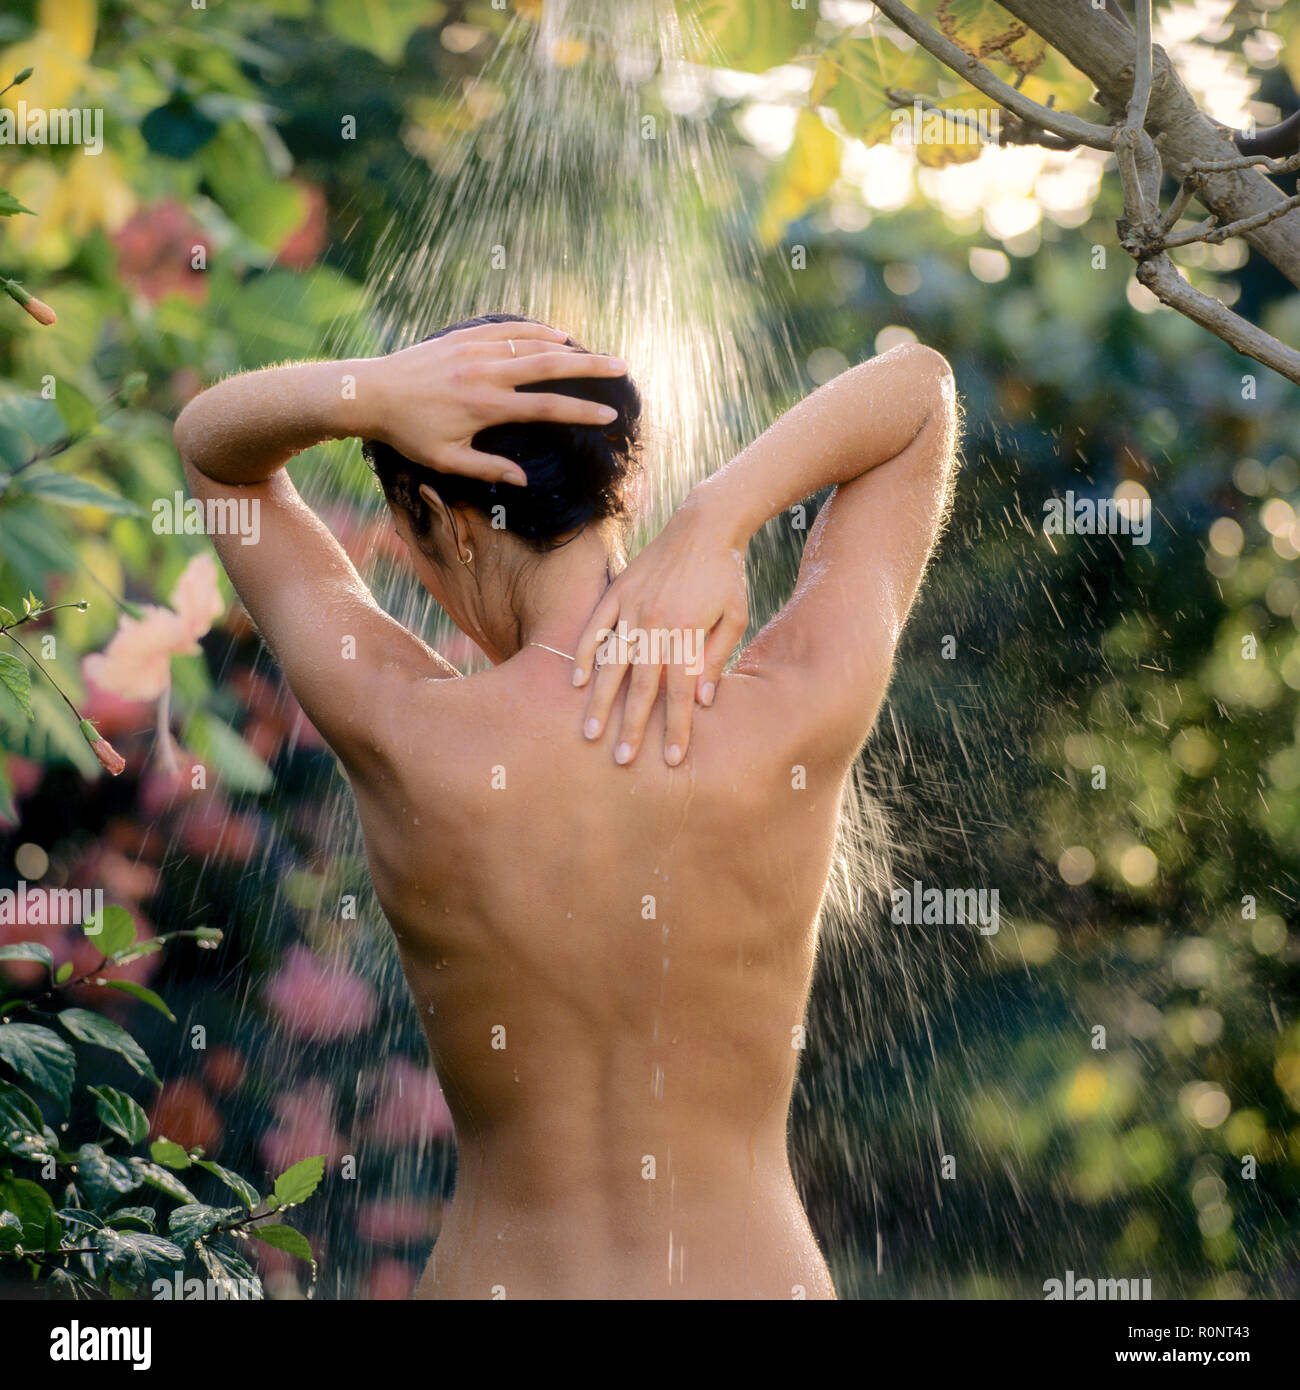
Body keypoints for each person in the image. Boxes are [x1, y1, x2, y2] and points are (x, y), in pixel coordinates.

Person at [175, 311, 959, 1299]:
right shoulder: (789, 709)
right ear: (621, 485)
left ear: (438, 515)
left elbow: (217, 455)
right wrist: (715, 518)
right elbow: (918, 392)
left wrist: (372, 393)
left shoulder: (405, 735)